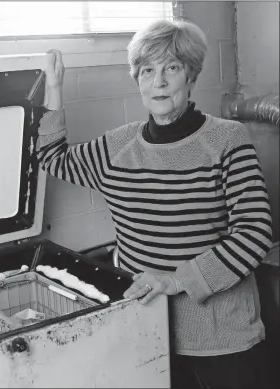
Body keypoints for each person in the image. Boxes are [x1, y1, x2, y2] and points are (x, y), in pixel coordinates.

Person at [37, 19, 274, 389]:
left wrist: (174, 281)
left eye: (172, 68)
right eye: (147, 70)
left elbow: (254, 235)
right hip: (150, 332)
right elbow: (52, 157)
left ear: (191, 76)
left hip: (221, 338)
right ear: (137, 80)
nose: (158, 81)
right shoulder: (118, 147)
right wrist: (54, 86)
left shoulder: (227, 140)